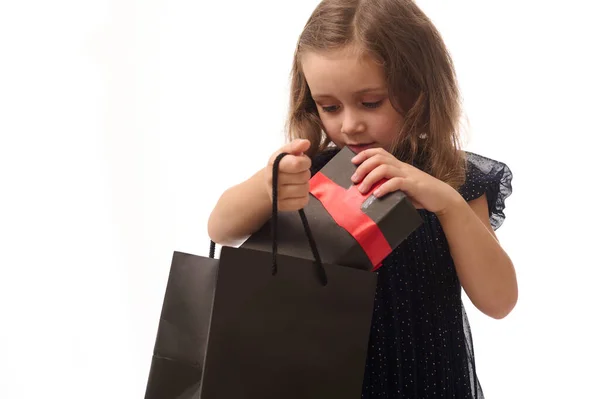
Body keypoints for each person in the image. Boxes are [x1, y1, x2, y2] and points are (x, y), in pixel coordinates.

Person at [207, 0, 517, 397]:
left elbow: (499, 301)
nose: (350, 124)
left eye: (371, 102)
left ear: (419, 88)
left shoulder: (452, 179)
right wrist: (265, 187)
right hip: (334, 378)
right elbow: (219, 228)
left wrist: (448, 204)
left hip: (430, 381)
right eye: (329, 107)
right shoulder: (312, 173)